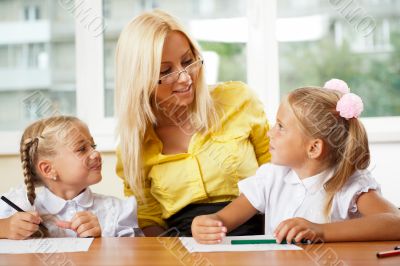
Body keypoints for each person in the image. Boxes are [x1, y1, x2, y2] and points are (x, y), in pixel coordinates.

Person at [115, 10, 270, 236]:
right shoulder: (134, 145)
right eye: (166, 71)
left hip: (257, 236)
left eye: (188, 61)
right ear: (139, 79)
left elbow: (277, 171)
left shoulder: (239, 99)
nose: (185, 77)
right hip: (184, 246)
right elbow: (148, 218)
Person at [192, 79, 400, 244]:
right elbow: (222, 220)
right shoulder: (271, 177)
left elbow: (395, 223)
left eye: (281, 126)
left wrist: (321, 230)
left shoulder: (349, 184)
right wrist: (209, 223)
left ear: (313, 148)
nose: (271, 132)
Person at [0, 116, 138, 239]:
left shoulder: (116, 211)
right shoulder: (16, 208)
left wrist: (102, 238)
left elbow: (138, 254)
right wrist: (5, 228)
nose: (96, 154)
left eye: (93, 145)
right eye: (82, 149)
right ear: (48, 170)